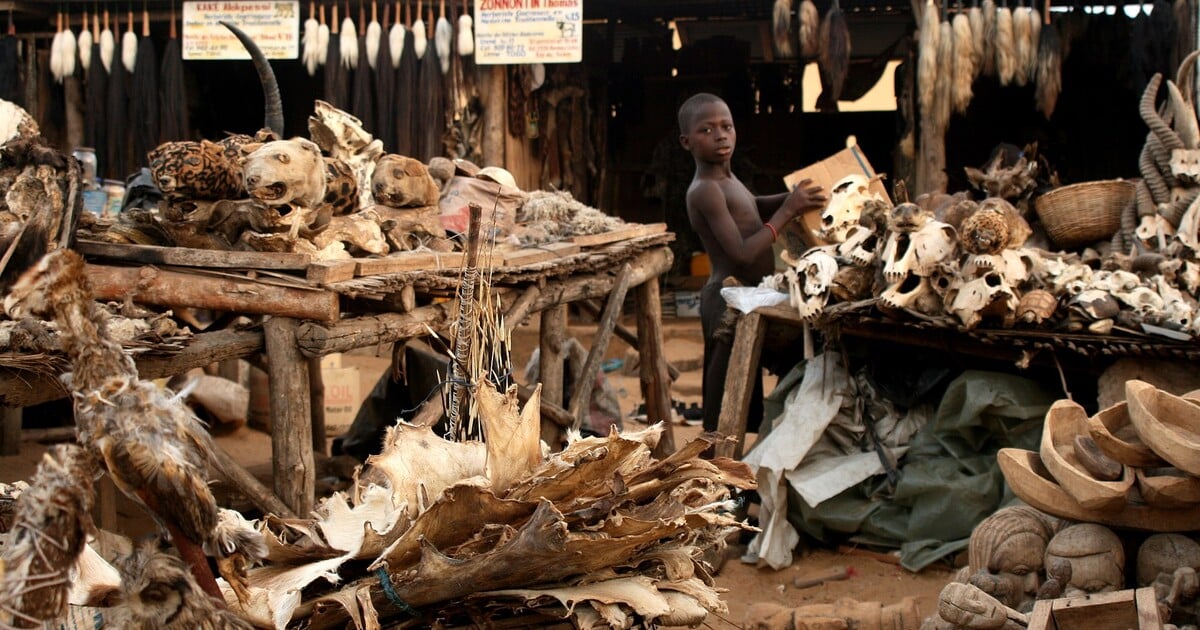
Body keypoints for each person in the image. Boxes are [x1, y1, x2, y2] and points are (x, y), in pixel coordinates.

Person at [678, 92, 827, 434]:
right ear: (687, 141)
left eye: (726, 126)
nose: (720, 135)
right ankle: (716, 472)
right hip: (726, 299)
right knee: (724, 394)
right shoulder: (704, 189)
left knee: (745, 384)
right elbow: (741, 253)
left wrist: (791, 199)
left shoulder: (728, 180)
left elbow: (754, 205)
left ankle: (747, 460)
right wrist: (788, 212)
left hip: (750, 296)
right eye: (707, 130)